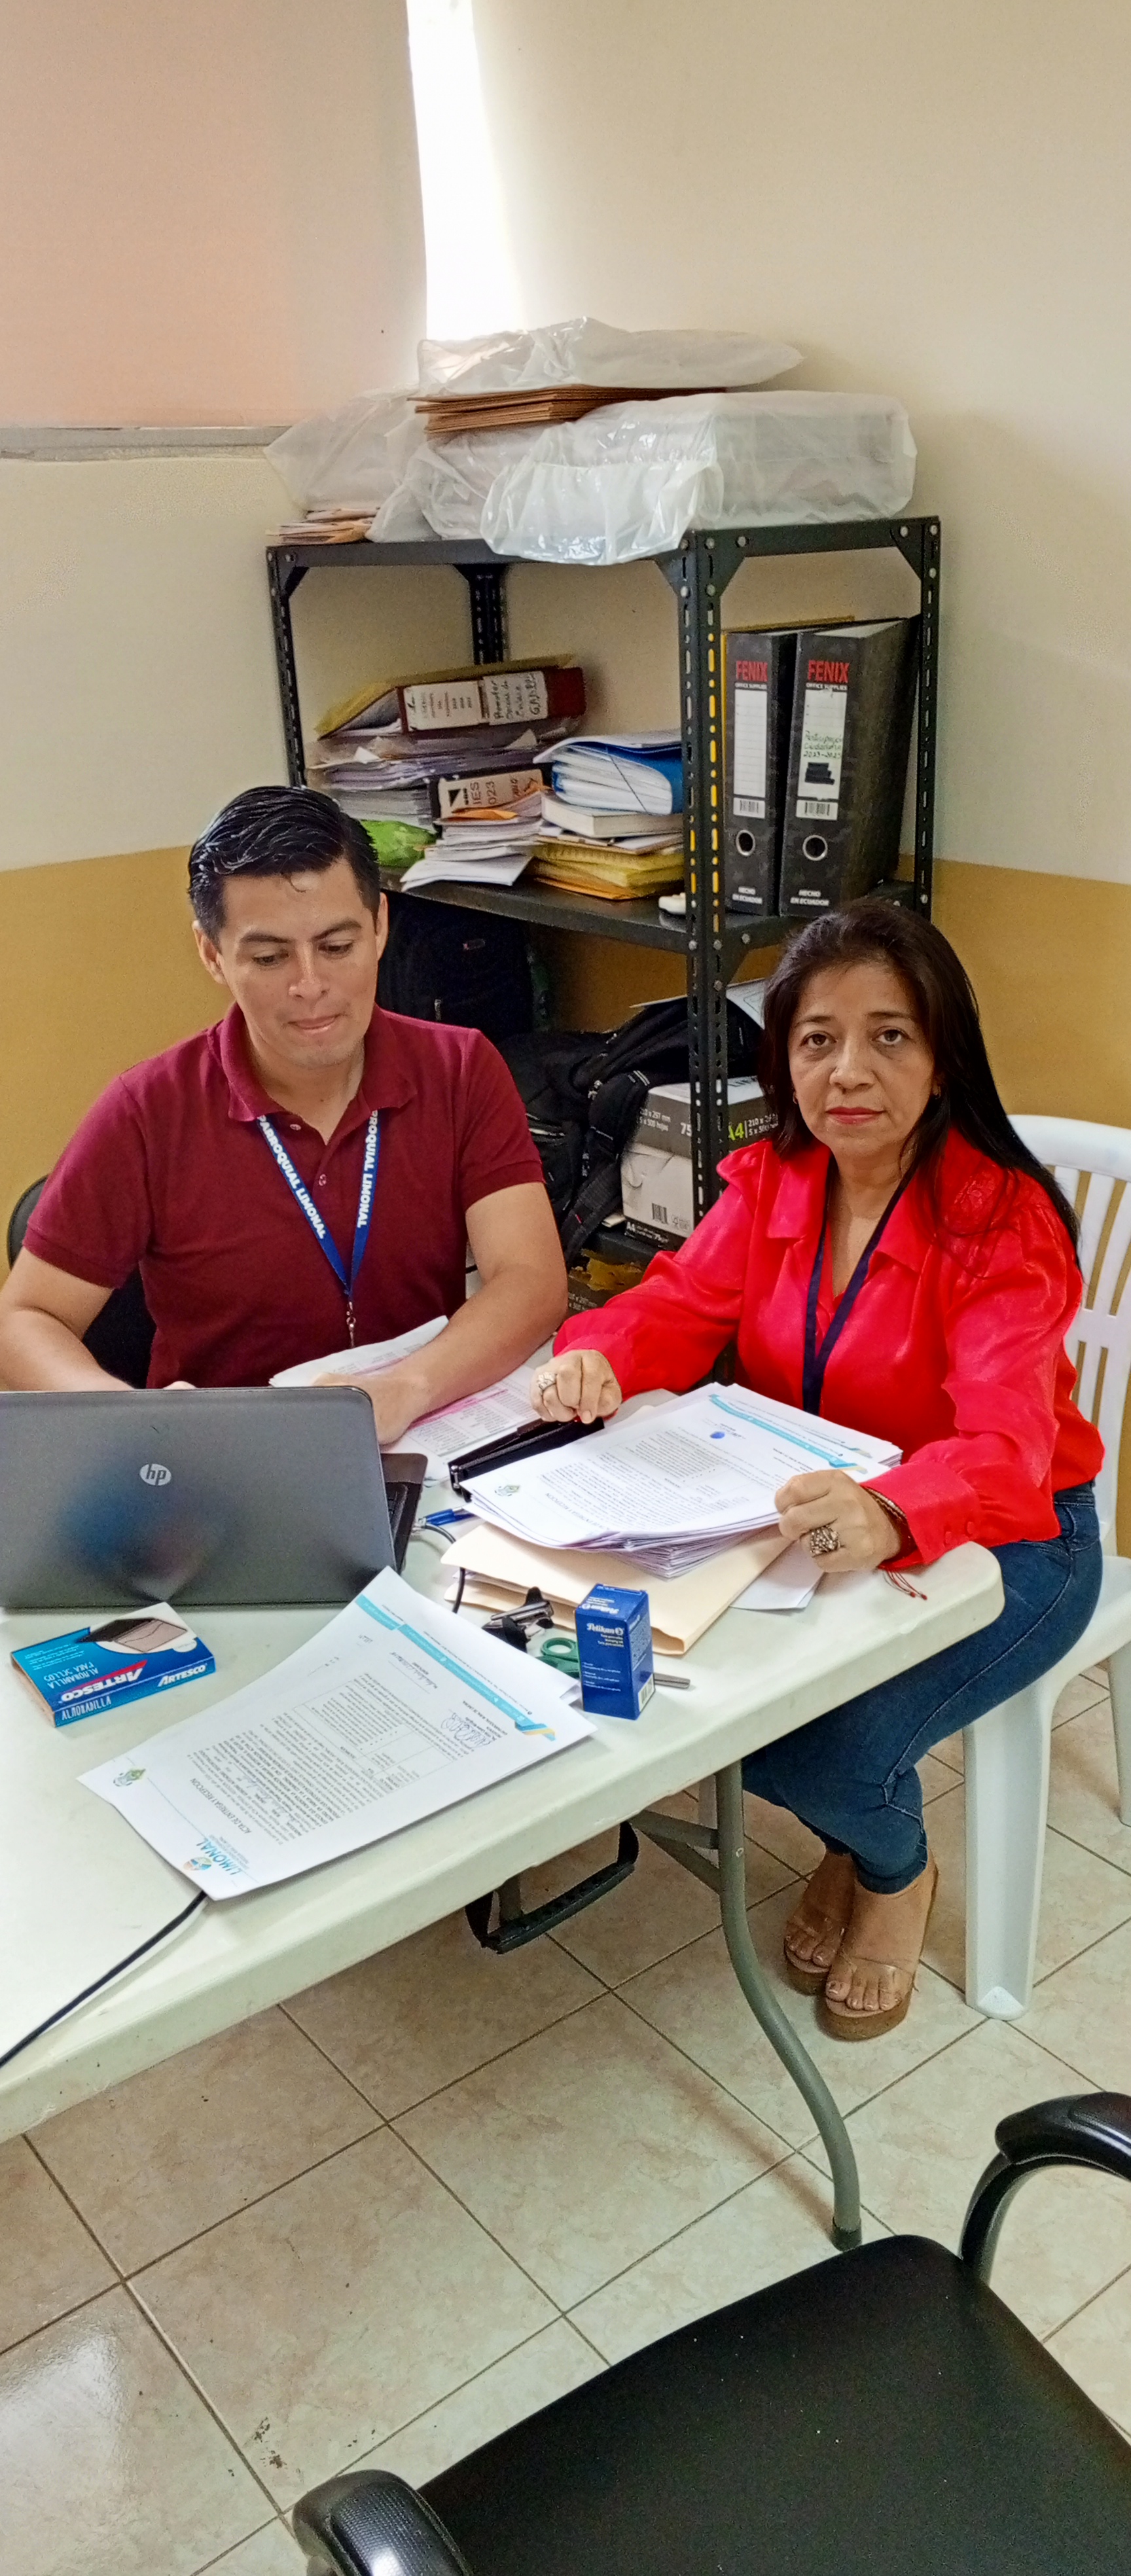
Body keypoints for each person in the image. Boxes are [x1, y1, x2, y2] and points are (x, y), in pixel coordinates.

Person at [531, 899, 1103, 2039]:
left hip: (1016, 1538)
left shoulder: (1000, 1222)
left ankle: (891, 1869)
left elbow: (1006, 1449)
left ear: (943, 1057)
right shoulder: (770, 1181)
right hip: (808, 1514)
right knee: (720, 1718)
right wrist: (597, 1355)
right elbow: (677, 1305)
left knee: (820, 1751)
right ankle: (856, 1835)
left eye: (889, 1036)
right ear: (782, 1062)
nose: (848, 1071)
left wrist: (895, 1510)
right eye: (816, 1039)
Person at [0, 787, 566, 1440]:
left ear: (380, 926)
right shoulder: (147, 1112)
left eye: (337, 946)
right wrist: (131, 1416)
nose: (310, 985)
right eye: (270, 958)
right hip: (223, 1461)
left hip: (418, 1437)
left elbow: (530, 1279)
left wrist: (405, 1389)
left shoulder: (460, 1069)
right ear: (212, 955)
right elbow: (25, 1319)